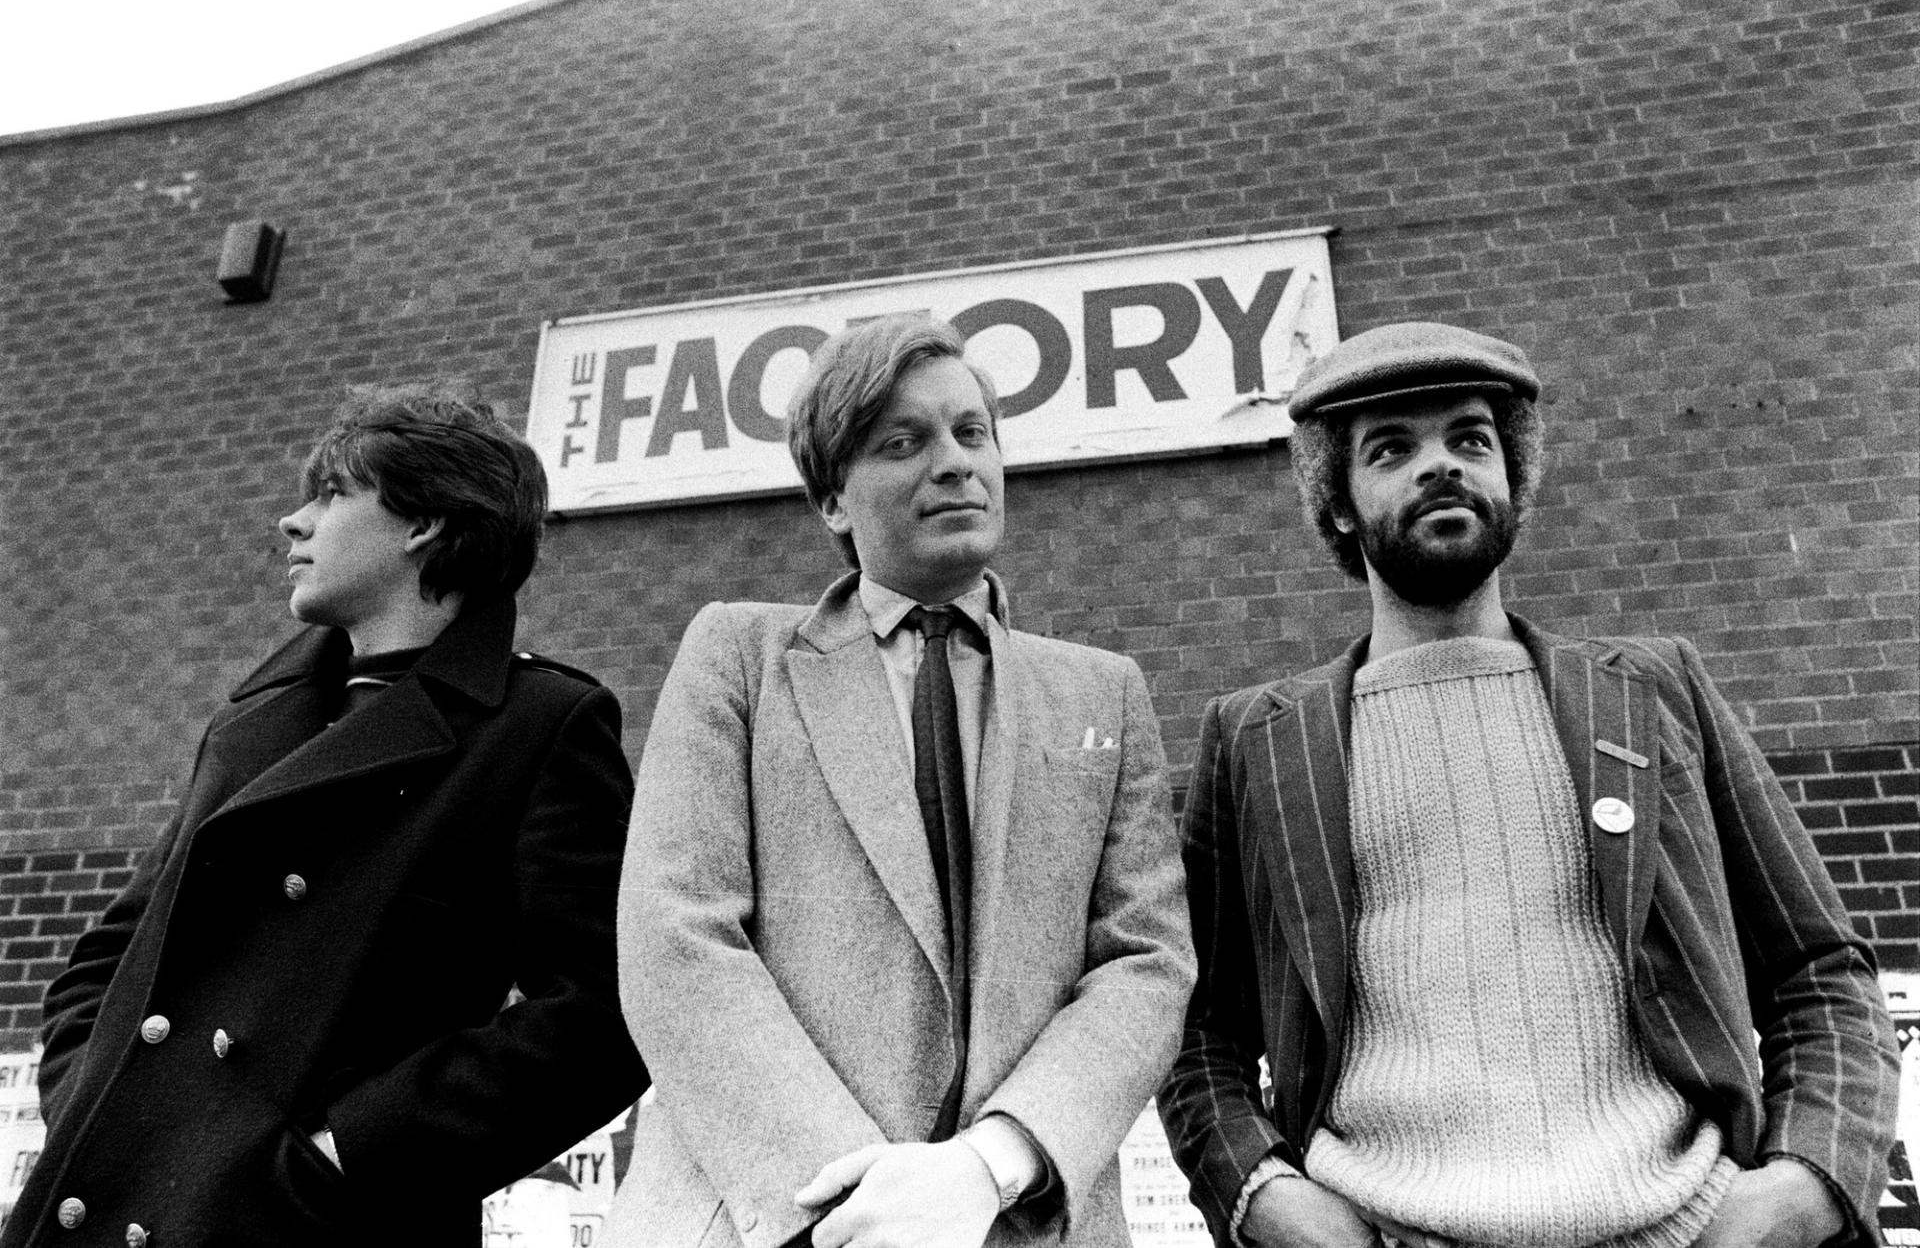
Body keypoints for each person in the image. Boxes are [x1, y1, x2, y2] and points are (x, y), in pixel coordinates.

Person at [1157, 322, 1900, 1248]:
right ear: (1338, 504)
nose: (1442, 466)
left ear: (1512, 477)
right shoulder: (1257, 741)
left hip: (1686, 1229)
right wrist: (1271, 1200)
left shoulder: (1655, 690)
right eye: (1392, 448)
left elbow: (1818, 971)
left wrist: (1799, 1191)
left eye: (1471, 440)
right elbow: (1197, 1029)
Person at [604, 314, 1195, 1248]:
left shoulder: (1104, 691)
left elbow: (1146, 962)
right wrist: (870, 1204)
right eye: (903, 442)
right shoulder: (738, 657)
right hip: (773, 1222)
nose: (957, 462)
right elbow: (676, 938)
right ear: (834, 500)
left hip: (1019, 1219)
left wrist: (987, 1166)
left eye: (973, 432)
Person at [5, 395, 647, 1248]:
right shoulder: (257, 717)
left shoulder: (539, 725)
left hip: (308, 1221)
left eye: (333, 493)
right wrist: (97, 1100)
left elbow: (605, 1011)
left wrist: (349, 1153)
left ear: (423, 521)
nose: (292, 521)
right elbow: (112, 954)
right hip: (106, 1200)